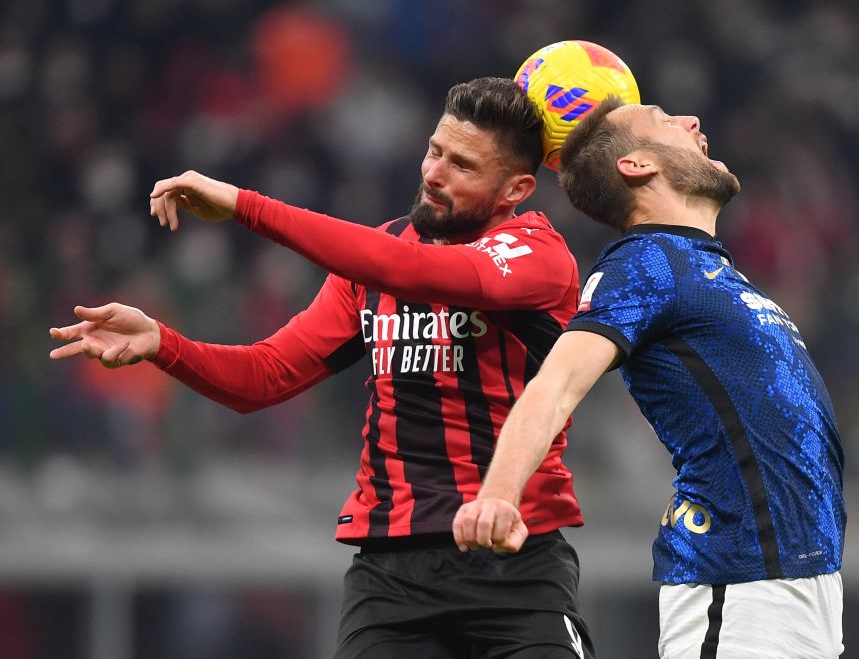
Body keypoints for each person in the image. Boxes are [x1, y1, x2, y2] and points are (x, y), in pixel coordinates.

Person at [49, 77, 595, 658]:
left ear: (517, 188)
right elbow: (264, 376)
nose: (434, 174)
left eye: (462, 166)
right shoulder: (375, 261)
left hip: (517, 563)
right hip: (392, 575)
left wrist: (245, 206)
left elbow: (423, 274)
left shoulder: (537, 255)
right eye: (435, 150)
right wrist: (164, 343)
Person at [453, 96, 846, 659]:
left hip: (803, 582)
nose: (693, 121)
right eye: (667, 121)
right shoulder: (644, 263)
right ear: (637, 165)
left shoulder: (712, 270)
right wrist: (497, 495)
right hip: (737, 582)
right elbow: (558, 383)